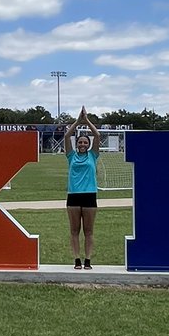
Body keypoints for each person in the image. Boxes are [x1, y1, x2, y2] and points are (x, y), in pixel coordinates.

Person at [64, 105, 100, 269]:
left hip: (90, 195)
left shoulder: (93, 155)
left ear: (89, 144)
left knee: (89, 231)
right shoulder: (71, 156)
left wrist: (87, 121)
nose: (83, 144)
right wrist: (77, 122)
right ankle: (77, 259)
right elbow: (67, 135)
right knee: (74, 231)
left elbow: (97, 135)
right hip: (73, 195)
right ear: (77, 144)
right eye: (80, 142)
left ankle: (88, 260)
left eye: (86, 142)